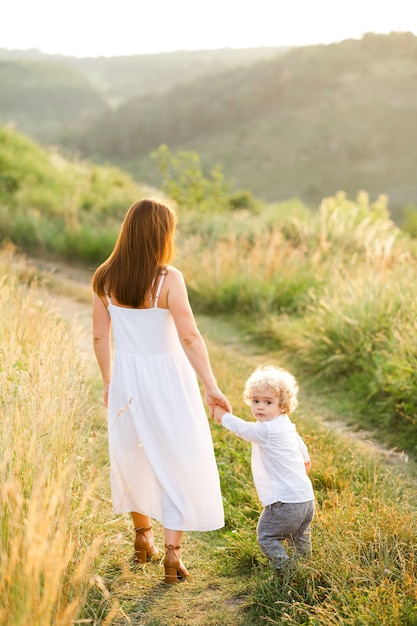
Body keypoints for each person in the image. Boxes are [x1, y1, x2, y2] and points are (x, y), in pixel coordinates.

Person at [92, 198, 231, 584]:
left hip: (127, 379)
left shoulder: (104, 277)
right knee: (177, 457)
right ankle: (172, 557)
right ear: (162, 235)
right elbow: (189, 335)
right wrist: (211, 385)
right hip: (170, 379)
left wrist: (109, 381)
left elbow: (100, 337)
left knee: (132, 456)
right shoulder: (168, 279)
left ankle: (142, 541)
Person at [213, 365, 314, 576]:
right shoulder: (284, 424)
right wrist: (305, 460)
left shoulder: (266, 429)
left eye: (268, 402)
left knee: (267, 536)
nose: (260, 407)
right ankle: (306, 570)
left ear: (282, 405)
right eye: (256, 401)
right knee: (300, 534)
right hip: (305, 499)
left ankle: (286, 574)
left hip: (284, 502)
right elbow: (300, 445)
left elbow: (244, 430)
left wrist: (223, 417)